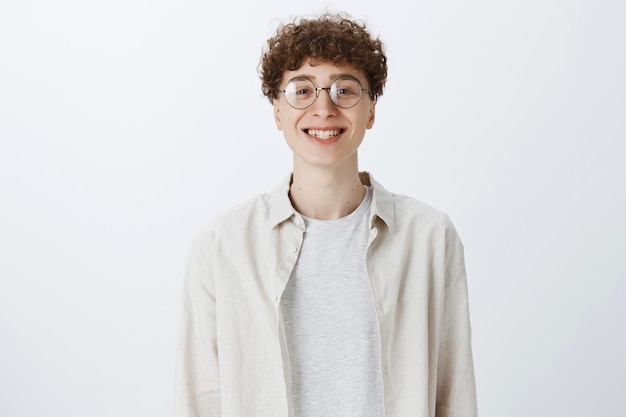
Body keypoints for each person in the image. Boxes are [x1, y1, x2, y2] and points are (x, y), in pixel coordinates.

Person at [174, 12, 477, 417]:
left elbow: (452, 397)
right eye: (302, 90)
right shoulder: (220, 246)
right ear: (277, 112)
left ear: (370, 111)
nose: (324, 108)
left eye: (344, 90)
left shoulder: (430, 238)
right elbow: (200, 401)